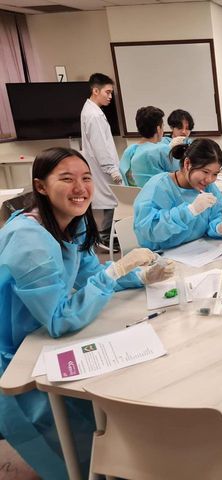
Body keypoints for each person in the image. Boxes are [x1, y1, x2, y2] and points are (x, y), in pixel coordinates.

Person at [0, 147, 174, 480]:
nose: (80, 188)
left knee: (111, 413)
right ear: (40, 186)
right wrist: (115, 271)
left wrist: (138, 276)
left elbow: (89, 276)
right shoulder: (28, 239)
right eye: (66, 179)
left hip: (41, 336)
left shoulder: (71, 223)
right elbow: (58, 320)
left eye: (86, 178)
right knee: (75, 445)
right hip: (18, 357)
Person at [134, 138, 222, 250]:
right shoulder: (159, 186)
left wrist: (218, 228)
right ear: (187, 164)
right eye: (205, 172)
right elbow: (150, 229)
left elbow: (216, 216)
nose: (209, 179)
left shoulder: (208, 188)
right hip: (162, 254)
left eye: (215, 174)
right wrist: (189, 211)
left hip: (196, 252)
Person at [80, 73, 122, 250]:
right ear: (95, 90)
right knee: (111, 199)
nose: (110, 96)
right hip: (102, 166)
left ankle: (105, 235)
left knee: (109, 199)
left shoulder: (91, 110)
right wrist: (112, 169)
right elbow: (100, 146)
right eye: (107, 92)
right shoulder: (94, 115)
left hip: (99, 165)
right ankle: (105, 236)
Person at [120, 106, 177, 187]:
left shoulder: (130, 150)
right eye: (163, 126)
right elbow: (179, 175)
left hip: (137, 196)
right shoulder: (162, 149)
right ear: (158, 129)